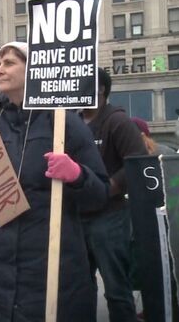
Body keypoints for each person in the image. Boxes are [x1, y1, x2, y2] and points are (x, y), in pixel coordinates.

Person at [0, 41, 110, 322]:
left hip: (50, 269)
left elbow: (100, 195)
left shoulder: (65, 123)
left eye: (9, 63)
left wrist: (77, 175)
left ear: (33, 69)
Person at [79, 68, 148, 322]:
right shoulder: (71, 120)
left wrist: (108, 188)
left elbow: (137, 161)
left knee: (116, 288)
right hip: (77, 217)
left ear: (102, 90)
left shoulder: (117, 121)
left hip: (110, 217)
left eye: (86, 86)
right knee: (80, 287)